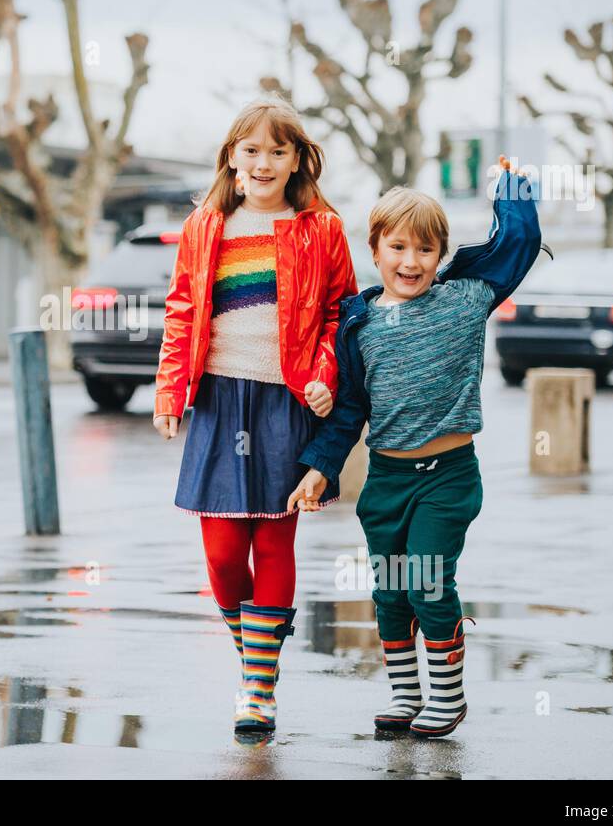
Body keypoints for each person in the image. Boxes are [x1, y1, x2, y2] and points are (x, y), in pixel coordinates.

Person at [287, 157, 546, 739]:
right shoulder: (359, 322)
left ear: (440, 254)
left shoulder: (466, 298)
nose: (412, 262)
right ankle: (407, 694)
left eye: (426, 250)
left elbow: (521, 242)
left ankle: (448, 697)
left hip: (447, 478)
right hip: (386, 480)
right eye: (398, 248)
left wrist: (511, 189)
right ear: (375, 250)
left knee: (428, 580)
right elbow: (350, 409)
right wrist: (319, 469)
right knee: (390, 590)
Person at [153, 93, 357, 735]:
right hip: (217, 397)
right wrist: (168, 388)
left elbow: (341, 314)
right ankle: (259, 659)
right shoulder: (206, 225)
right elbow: (183, 307)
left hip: (283, 398)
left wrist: (325, 374)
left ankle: (257, 690)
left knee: (273, 538)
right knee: (220, 554)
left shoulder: (321, 228)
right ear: (231, 158)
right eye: (252, 151)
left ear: (298, 160)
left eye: (278, 150)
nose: (264, 162)